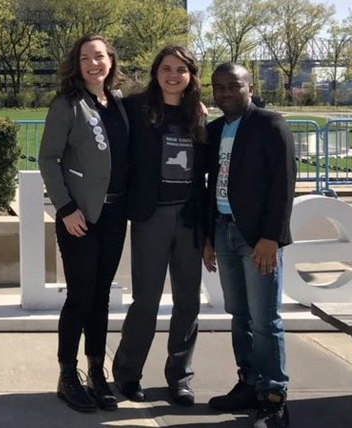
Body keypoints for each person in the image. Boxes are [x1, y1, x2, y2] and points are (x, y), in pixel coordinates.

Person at [111, 45, 208, 407]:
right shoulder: (135, 109)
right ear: (155, 73)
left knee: (188, 301)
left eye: (181, 70)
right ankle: (128, 373)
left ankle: (179, 376)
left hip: (189, 218)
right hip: (151, 217)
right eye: (166, 68)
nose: (172, 75)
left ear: (190, 76)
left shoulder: (196, 113)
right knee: (146, 301)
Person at [39, 34, 129, 413]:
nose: (95, 64)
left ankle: (96, 370)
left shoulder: (120, 103)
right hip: (80, 217)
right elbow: (48, 159)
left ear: (110, 61)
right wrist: (66, 207)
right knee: (80, 296)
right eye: (86, 58)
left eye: (100, 57)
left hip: (114, 215)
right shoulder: (67, 105)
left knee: (102, 295)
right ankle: (67, 374)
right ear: (77, 66)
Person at [204, 62, 296, 428]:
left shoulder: (270, 124)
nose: (225, 92)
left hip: (258, 238)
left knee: (265, 320)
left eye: (233, 86)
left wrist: (272, 237)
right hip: (223, 232)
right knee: (239, 315)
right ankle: (249, 383)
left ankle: (274, 397)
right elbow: (207, 185)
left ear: (250, 87)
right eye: (219, 87)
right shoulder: (213, 131)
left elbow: (284, 184)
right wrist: (208, 237)